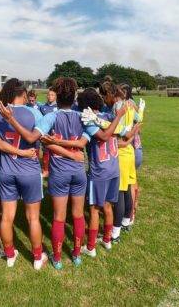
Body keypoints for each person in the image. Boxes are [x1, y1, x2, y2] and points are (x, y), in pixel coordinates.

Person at [3, 78, 90, 269]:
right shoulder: (83, 116)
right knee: (77, 215)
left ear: (56, 96)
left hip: (59, 173)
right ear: (74, 96)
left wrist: (11, 119)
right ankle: (76, 254)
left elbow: (35, 138)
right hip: (78, 172)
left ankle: (57, 258)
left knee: (59, 216)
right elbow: (87, 140)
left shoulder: (51, 117)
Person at [0, 78, 48, 270]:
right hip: (30, 171)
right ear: (23, 94)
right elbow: (42, 139)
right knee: (33, 218)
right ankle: (38, 258)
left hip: (7, 172)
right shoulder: (35, 112)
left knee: (6, 217)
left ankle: (10, 254)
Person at [75, 88, 127, 257]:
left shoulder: (89, 120)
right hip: (114, 168)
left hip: (100, 171)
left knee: (95, 209)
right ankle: (107, 239)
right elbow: (118, 131)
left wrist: (119, 115)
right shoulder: (108, 117)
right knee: (108, 206)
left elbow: (104, 136)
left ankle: (90, 247)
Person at [98, 81, 144, 243]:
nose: (104, 100)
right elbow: (139, 120)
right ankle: (126, 220)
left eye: (105, 96)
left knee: (119, 193)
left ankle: (115, 232)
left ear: (112, 94)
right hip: (130, 152)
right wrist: (133, 132)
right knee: (126, 190)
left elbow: (115, 128)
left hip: (122, 153)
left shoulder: (117, 107)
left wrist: (99, 122)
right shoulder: (130, 104)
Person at [39, 88, 57, 178]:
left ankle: (55, 170)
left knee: (55, 152)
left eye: (52, 95)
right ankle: (46, 170)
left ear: (56, 96)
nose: (50, 96)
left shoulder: (58, 107)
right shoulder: (43, 107)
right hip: (46, 134)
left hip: (55, 135)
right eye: (49, 95)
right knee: (46, 152)